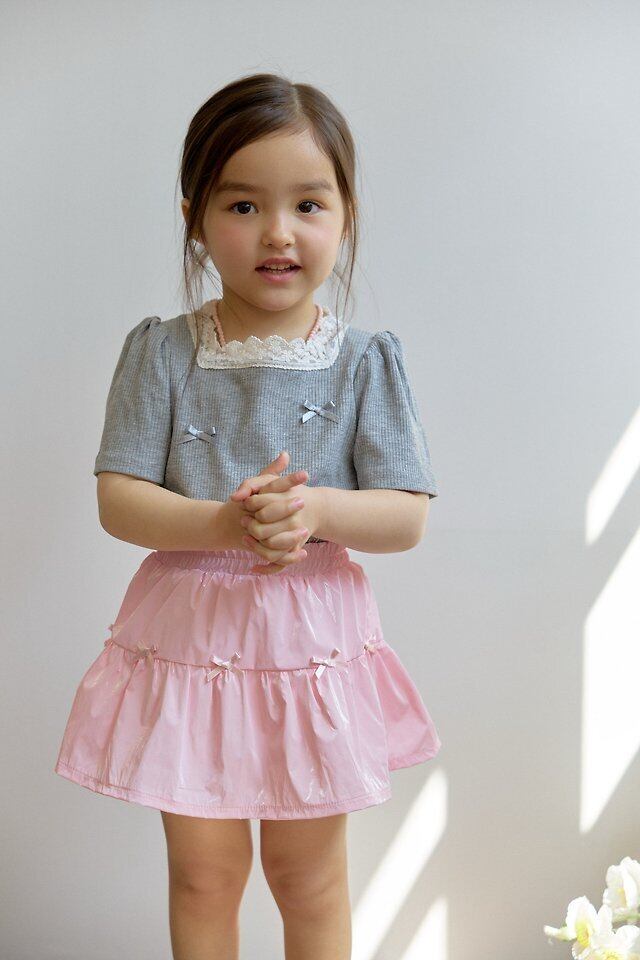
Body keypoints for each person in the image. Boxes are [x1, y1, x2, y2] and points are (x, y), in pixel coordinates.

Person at [53, 72, 442, 960]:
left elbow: (406, 514)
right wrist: (224, 527)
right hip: (193, 643)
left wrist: (317, 509)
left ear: (345, 216)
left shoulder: (363, 362)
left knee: (308, 878)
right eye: (242, 205)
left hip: (310, 648)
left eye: (308, 204)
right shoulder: (163, 351)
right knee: (204, 874)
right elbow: (119, 497)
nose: (278, 232)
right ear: (195, 218)